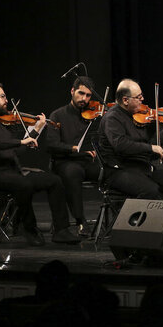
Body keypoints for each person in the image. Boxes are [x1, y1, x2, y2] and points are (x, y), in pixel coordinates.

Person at [0, 82, 81, 245]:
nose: (6, 100)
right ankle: (28, 228)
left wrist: (36, 130)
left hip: (11, 171)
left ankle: (61, 230)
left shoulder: (2, 123)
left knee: (54, 181)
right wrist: (20, 142)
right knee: (23, 184)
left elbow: (15, 151)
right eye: (2, 96)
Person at [98, 79, 163, 202]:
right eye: (138, 97)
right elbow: (121, 145)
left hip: (140, 167)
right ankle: (142, 220)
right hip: (119, 170)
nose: (142, 100)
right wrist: (150, 148)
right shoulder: (112, 118)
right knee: (151, 190)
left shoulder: (137, 116)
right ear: (125, 100)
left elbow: (151, 143)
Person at [46, 76, 102, 236]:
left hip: (86, 161)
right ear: (72, 91)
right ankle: (80, 221)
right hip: (65, 162)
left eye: (88, 95)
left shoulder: (93, 116)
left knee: (111, 172)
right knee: (72, 173)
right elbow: (51, 144)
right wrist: (73, 148)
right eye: (81, 93)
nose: (84, 99)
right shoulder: (57, 115)